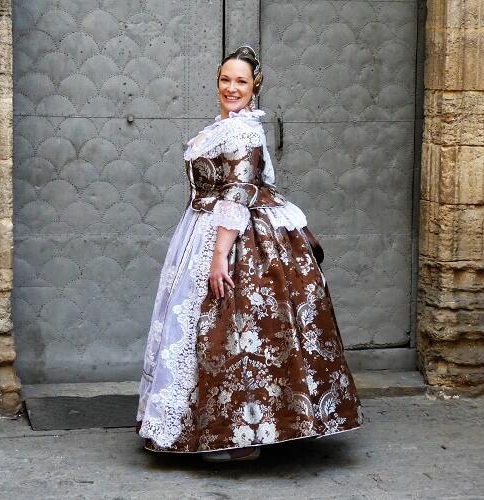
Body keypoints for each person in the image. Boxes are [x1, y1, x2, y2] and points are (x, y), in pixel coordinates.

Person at [136, 46, 363, 462]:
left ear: (254, 85)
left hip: (234, 235)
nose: (231, 88)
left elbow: (239, 191)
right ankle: (220, 427)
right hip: (202, 224)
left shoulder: (243, 132)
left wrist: (219, 255)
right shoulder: (221, 128)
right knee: (222, 334)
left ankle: (243, 436)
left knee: (237, 330)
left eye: (240, 81)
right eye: (225, 79)